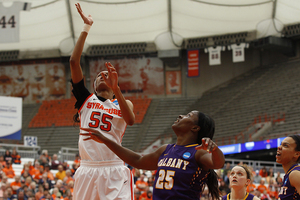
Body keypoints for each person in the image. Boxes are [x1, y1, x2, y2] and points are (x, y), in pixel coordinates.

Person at [69, 3, 135, 200]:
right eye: (98, 75)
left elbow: (130, 120)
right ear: (94, 83)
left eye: (106, 75)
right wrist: (86, 27)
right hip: (87, 169)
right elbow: (74, 62)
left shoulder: (122, 103)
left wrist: (117, 90)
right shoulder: (85, 100)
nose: (102, 76)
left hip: (114, 168)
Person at [81, 110, 225, 200]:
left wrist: (214, 149)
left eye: (188, 115)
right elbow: (138, 160)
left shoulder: (198, 151)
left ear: (195, 127)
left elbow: (217, 163)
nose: (181, 115)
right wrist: (106, 140)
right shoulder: (166, 149)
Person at [276, 135, 300, 199]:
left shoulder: (295, 174)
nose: (279, 147)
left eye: (285, 145)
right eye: (281, 144)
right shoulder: (289, 174)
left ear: (296, 154)